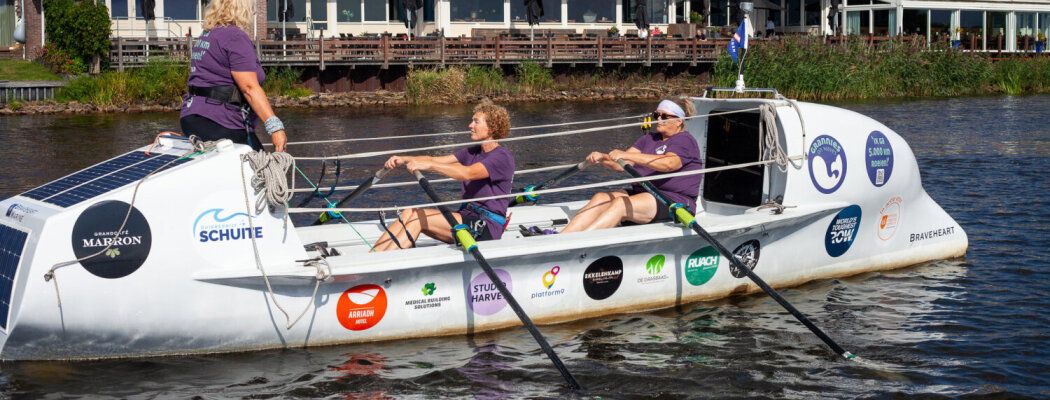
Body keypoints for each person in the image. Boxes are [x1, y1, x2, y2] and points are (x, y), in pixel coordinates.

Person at [372, 100, 515, 252]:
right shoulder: (473, 151)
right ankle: (373, 256)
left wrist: (430, 166)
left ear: (492, 128)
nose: (470, 125)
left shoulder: (501, 157)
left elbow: (467, 173)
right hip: (467, 216)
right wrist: (403, 159)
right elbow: (433, 159)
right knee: (409, 213)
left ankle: (382, 262)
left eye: (476, 121)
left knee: (417, 218)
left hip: (486, 226)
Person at [559, 97, 702, 234]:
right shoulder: (649, 138)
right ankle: (562, 238)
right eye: (656, 115)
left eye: (664, 116)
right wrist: (602, 158)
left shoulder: (685, 140)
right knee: (600, 198)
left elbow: (669, 164)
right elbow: (621, 165)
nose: (658, 119)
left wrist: (627, 156)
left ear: (679, 121)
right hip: (644, 193)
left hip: (673, 200)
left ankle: (581, 242)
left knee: (621, 204)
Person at [179, 0, 288, 152]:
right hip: (220, 120)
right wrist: (274, 127)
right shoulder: (234, 36)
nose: (254, 11)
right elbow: (249, 87)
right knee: (259, 163)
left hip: (192, 116)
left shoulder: (208, 35)